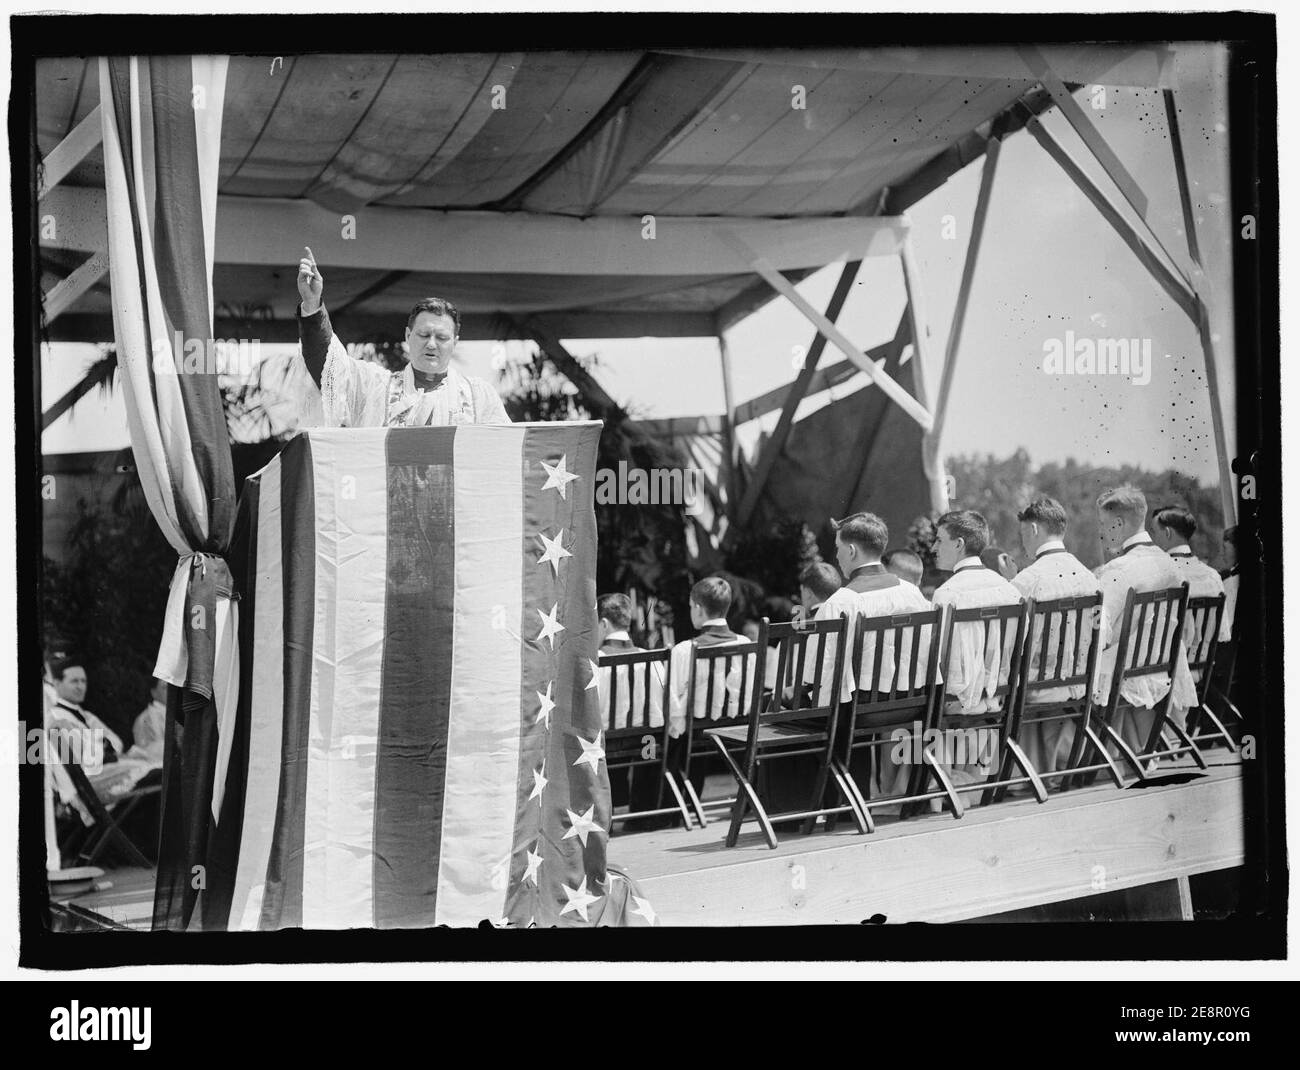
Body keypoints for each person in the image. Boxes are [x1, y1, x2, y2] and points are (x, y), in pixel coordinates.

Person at [294, 247, 510, 427]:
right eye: (424, 334)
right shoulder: (375, 387)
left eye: (442, 337)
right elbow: (330, 368)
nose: (432, 344)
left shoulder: (479, 396)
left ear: (455, 342)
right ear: (408, 335)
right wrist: (312, 305)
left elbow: (504, 454)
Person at [811, 513, 931, 796]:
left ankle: (815, 807)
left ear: (852, 550)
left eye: (839, 549)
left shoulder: (841, 602)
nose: (837, 556)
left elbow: (821, 677)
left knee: (796, 709)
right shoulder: (914, 595)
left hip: (861, 714)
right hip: (913, 704)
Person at [1093, 486, 1197, 755]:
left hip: (1123, 673)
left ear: (1118, 523)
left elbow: (1097, 633)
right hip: (1159, 669)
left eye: (1103, 524)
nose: (1102, 532)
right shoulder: (1172, 566)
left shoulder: (1118, 569)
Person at [931, 510, 1024, 800]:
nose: (933, 548)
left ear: (959, 544)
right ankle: (972, 785)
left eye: (938, 540)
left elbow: (935, 660)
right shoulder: (1010, 591)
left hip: (956, 701)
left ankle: (930, 790)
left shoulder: (947, 594)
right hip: (997, 696)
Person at [1012, 497, 1108, 774]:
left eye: (1022, 535)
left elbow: (1011, 643)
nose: (1023, 543)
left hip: (1036, 685)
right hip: (1079, 682)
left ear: (1032, 530)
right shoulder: (1090, 578)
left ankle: (1019, 772)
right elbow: (1103, 633)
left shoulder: (1027, 581)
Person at [596, 594, 667, 828]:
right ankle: (644, 814)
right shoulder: (651, 657)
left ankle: (608, 813)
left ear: (604, 624)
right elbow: (662, 702)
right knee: (649, 749)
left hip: (608, 745)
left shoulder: (596, 661)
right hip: (646, 743)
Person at [47, 659, 153, 802]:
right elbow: (84, 756)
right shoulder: (56, 717)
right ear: (58, 684)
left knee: (154, 770)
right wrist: (102, 745)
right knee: (150, 774)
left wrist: (99, 744)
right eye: (74, 681)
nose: (80, 687)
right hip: (88, 783)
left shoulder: (87, 716)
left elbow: (116, 742)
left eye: (83, 681)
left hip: (106, 769)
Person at [667, 577, 755, 741]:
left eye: (691, 607)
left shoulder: (685, 650)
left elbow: (672, 702)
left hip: (694, 739)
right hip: (738, 733)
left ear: (699, 609)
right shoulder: (746, 644)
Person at [1150, 504, 1226, 657]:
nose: (1152, 539)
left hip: (1165, 670)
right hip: (1201, 670)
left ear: (1167, 533)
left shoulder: (1160, 575)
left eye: (1154, 532)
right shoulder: (1213, 577)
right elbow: (1222, 634)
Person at [127, 678, 169, 768]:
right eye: (165, 687)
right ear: (154, 692)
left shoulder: (173, 714)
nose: (171, 691)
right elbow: (147, 751)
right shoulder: (147, 717)